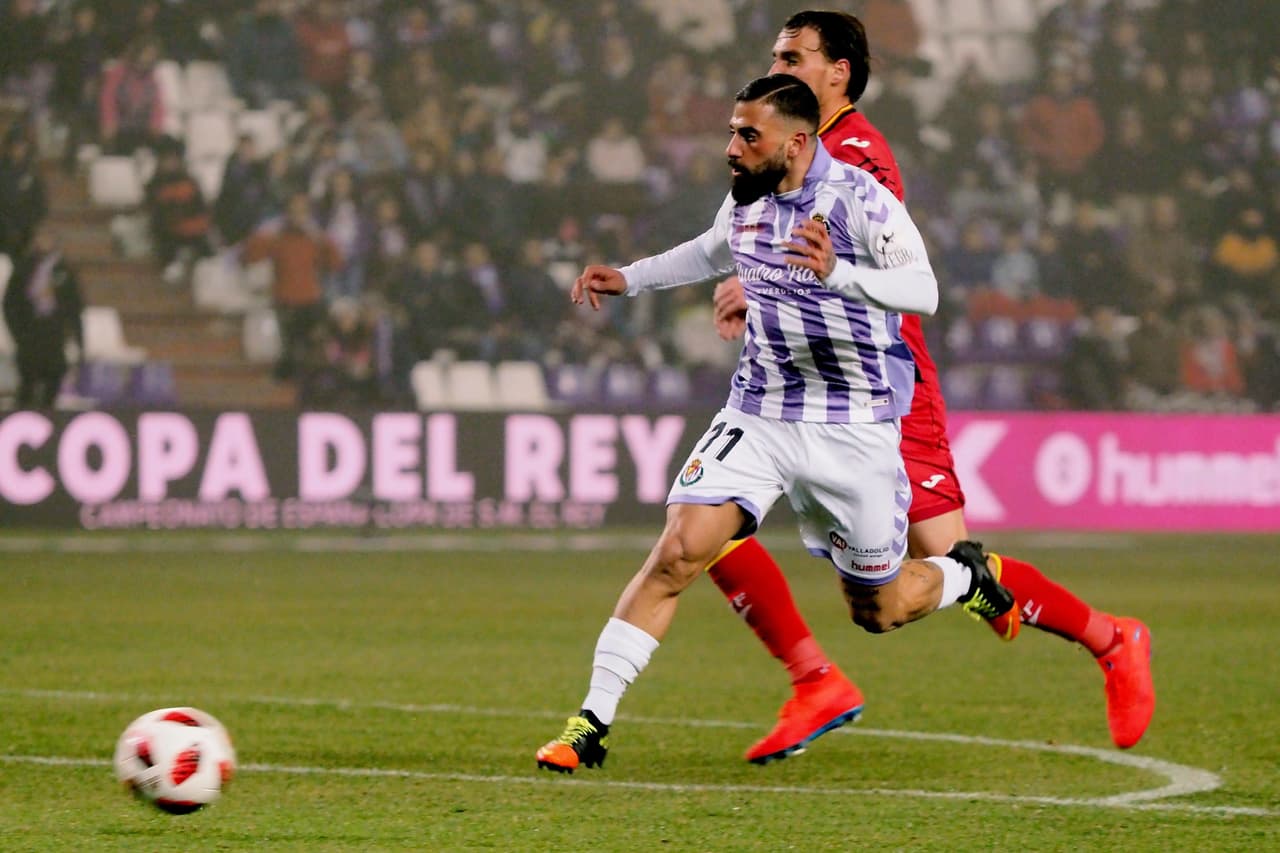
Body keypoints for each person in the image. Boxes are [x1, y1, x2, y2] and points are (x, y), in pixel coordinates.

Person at [535, 73, 1017, 774]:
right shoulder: (747, 199)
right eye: (732, 130)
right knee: (679, 550)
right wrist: (631, 278)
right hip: (760, 412)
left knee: (877, 610)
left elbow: (925, 290)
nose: (732, 147)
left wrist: (841, 277)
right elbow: (709, 250)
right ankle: (590, 723)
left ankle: (964, 578)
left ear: (795, 142)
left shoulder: (859, 199)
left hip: (853, 426)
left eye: (747, 134)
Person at [704, 11, 1153, 761]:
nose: (777, 64)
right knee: (704, 521)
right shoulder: (797, 141)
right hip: (803, 391)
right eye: (774, 53)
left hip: (881, 392)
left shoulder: (857, 153)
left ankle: (1112, 637)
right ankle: (815, 680)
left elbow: (879, 264)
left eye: (793, 54)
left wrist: (769, 283)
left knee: (945, 576)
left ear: (838, 70)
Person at [2, 226, 84, 408]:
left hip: (54, 338)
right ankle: (22, 423)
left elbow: (74, 308)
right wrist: (18, 333)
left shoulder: (64, 271)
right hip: (29, 337)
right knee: (27, 386)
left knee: (53, 383)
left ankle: (48, 422)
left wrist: (79, 341)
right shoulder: (23, 269)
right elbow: (10, 304)